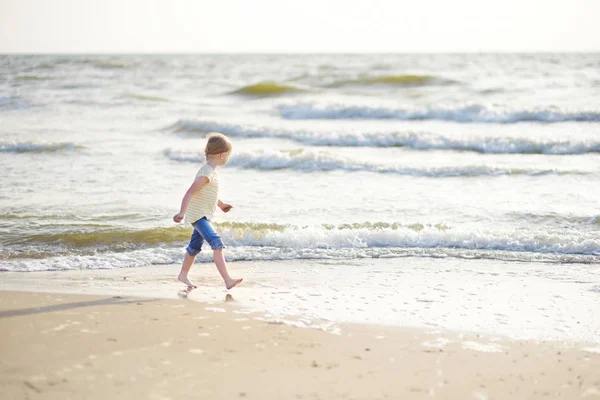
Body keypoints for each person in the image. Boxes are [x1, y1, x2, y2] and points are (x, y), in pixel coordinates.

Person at [173, 132, 243, 290]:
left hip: (203, 215)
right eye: (228, 156)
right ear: (222, 155)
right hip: (198, 216)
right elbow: (190, 192)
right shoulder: (205, 174)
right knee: (216, 243)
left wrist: (221, 205)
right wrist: (181, 213)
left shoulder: (211, 173)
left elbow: (208, 194)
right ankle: (227, 280)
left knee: (194, 247)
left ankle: (183, 275)